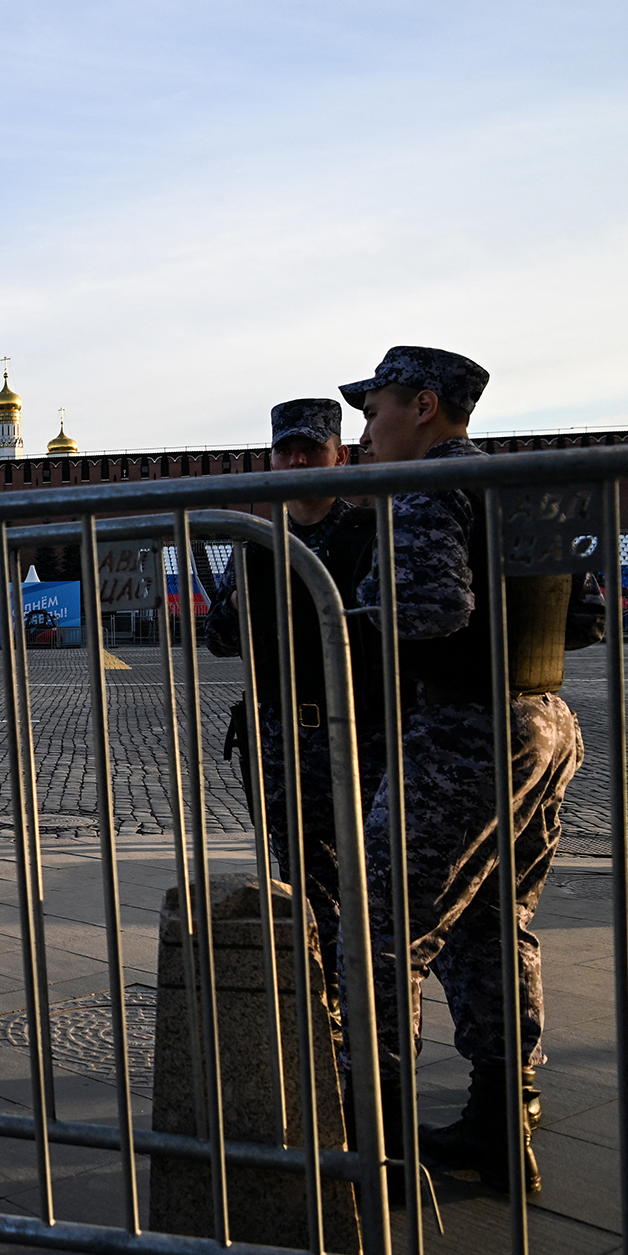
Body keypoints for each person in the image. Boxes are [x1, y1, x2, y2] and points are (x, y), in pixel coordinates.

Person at [344, 345, 587, 1195]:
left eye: (373, 409)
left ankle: (378, 1140)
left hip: (461, 728)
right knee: (492, 923)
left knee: (379, 927)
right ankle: (502, 1121)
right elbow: (584, 613)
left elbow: (432, 604)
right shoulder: (517, 482)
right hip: (544, 719)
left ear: (424, 404)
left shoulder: (424, 483)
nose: (364, 429)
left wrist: (354, 605)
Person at [207, 400, 383, 991]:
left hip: (367, 737)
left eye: (311, 447)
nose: (299, 459)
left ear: (341, 455)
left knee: (377, 887)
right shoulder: (257, 543)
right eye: (287, 449)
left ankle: (378, 1036)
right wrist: (236, 606)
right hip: (283, 737)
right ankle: (327, 1016)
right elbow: (220, 640)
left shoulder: (372, 532)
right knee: (305, 885)